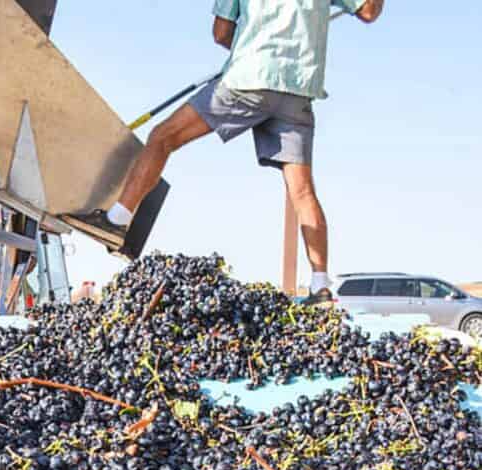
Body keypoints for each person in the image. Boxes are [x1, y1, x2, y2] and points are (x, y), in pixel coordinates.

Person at [70, 0, 384, 303]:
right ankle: (320, 286)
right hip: (297, 92)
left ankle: (117, 218)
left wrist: (244, 47)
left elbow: (221, 33)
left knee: (163, 138)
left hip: (249, 78)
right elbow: (369, 10)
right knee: (302, 192)